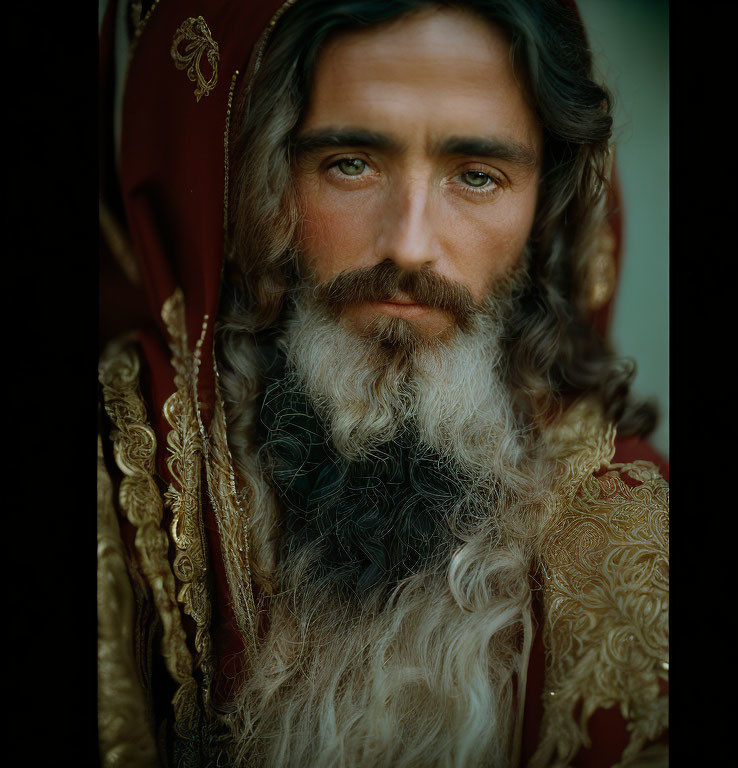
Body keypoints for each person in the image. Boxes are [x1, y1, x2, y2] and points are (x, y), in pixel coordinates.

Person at [97, 1, 669, 766]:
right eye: (350, 164)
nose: (409, 245)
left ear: (545, 207)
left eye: (476, 175)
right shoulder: (123, 472)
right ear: (254, 179)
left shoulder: (632, 530)